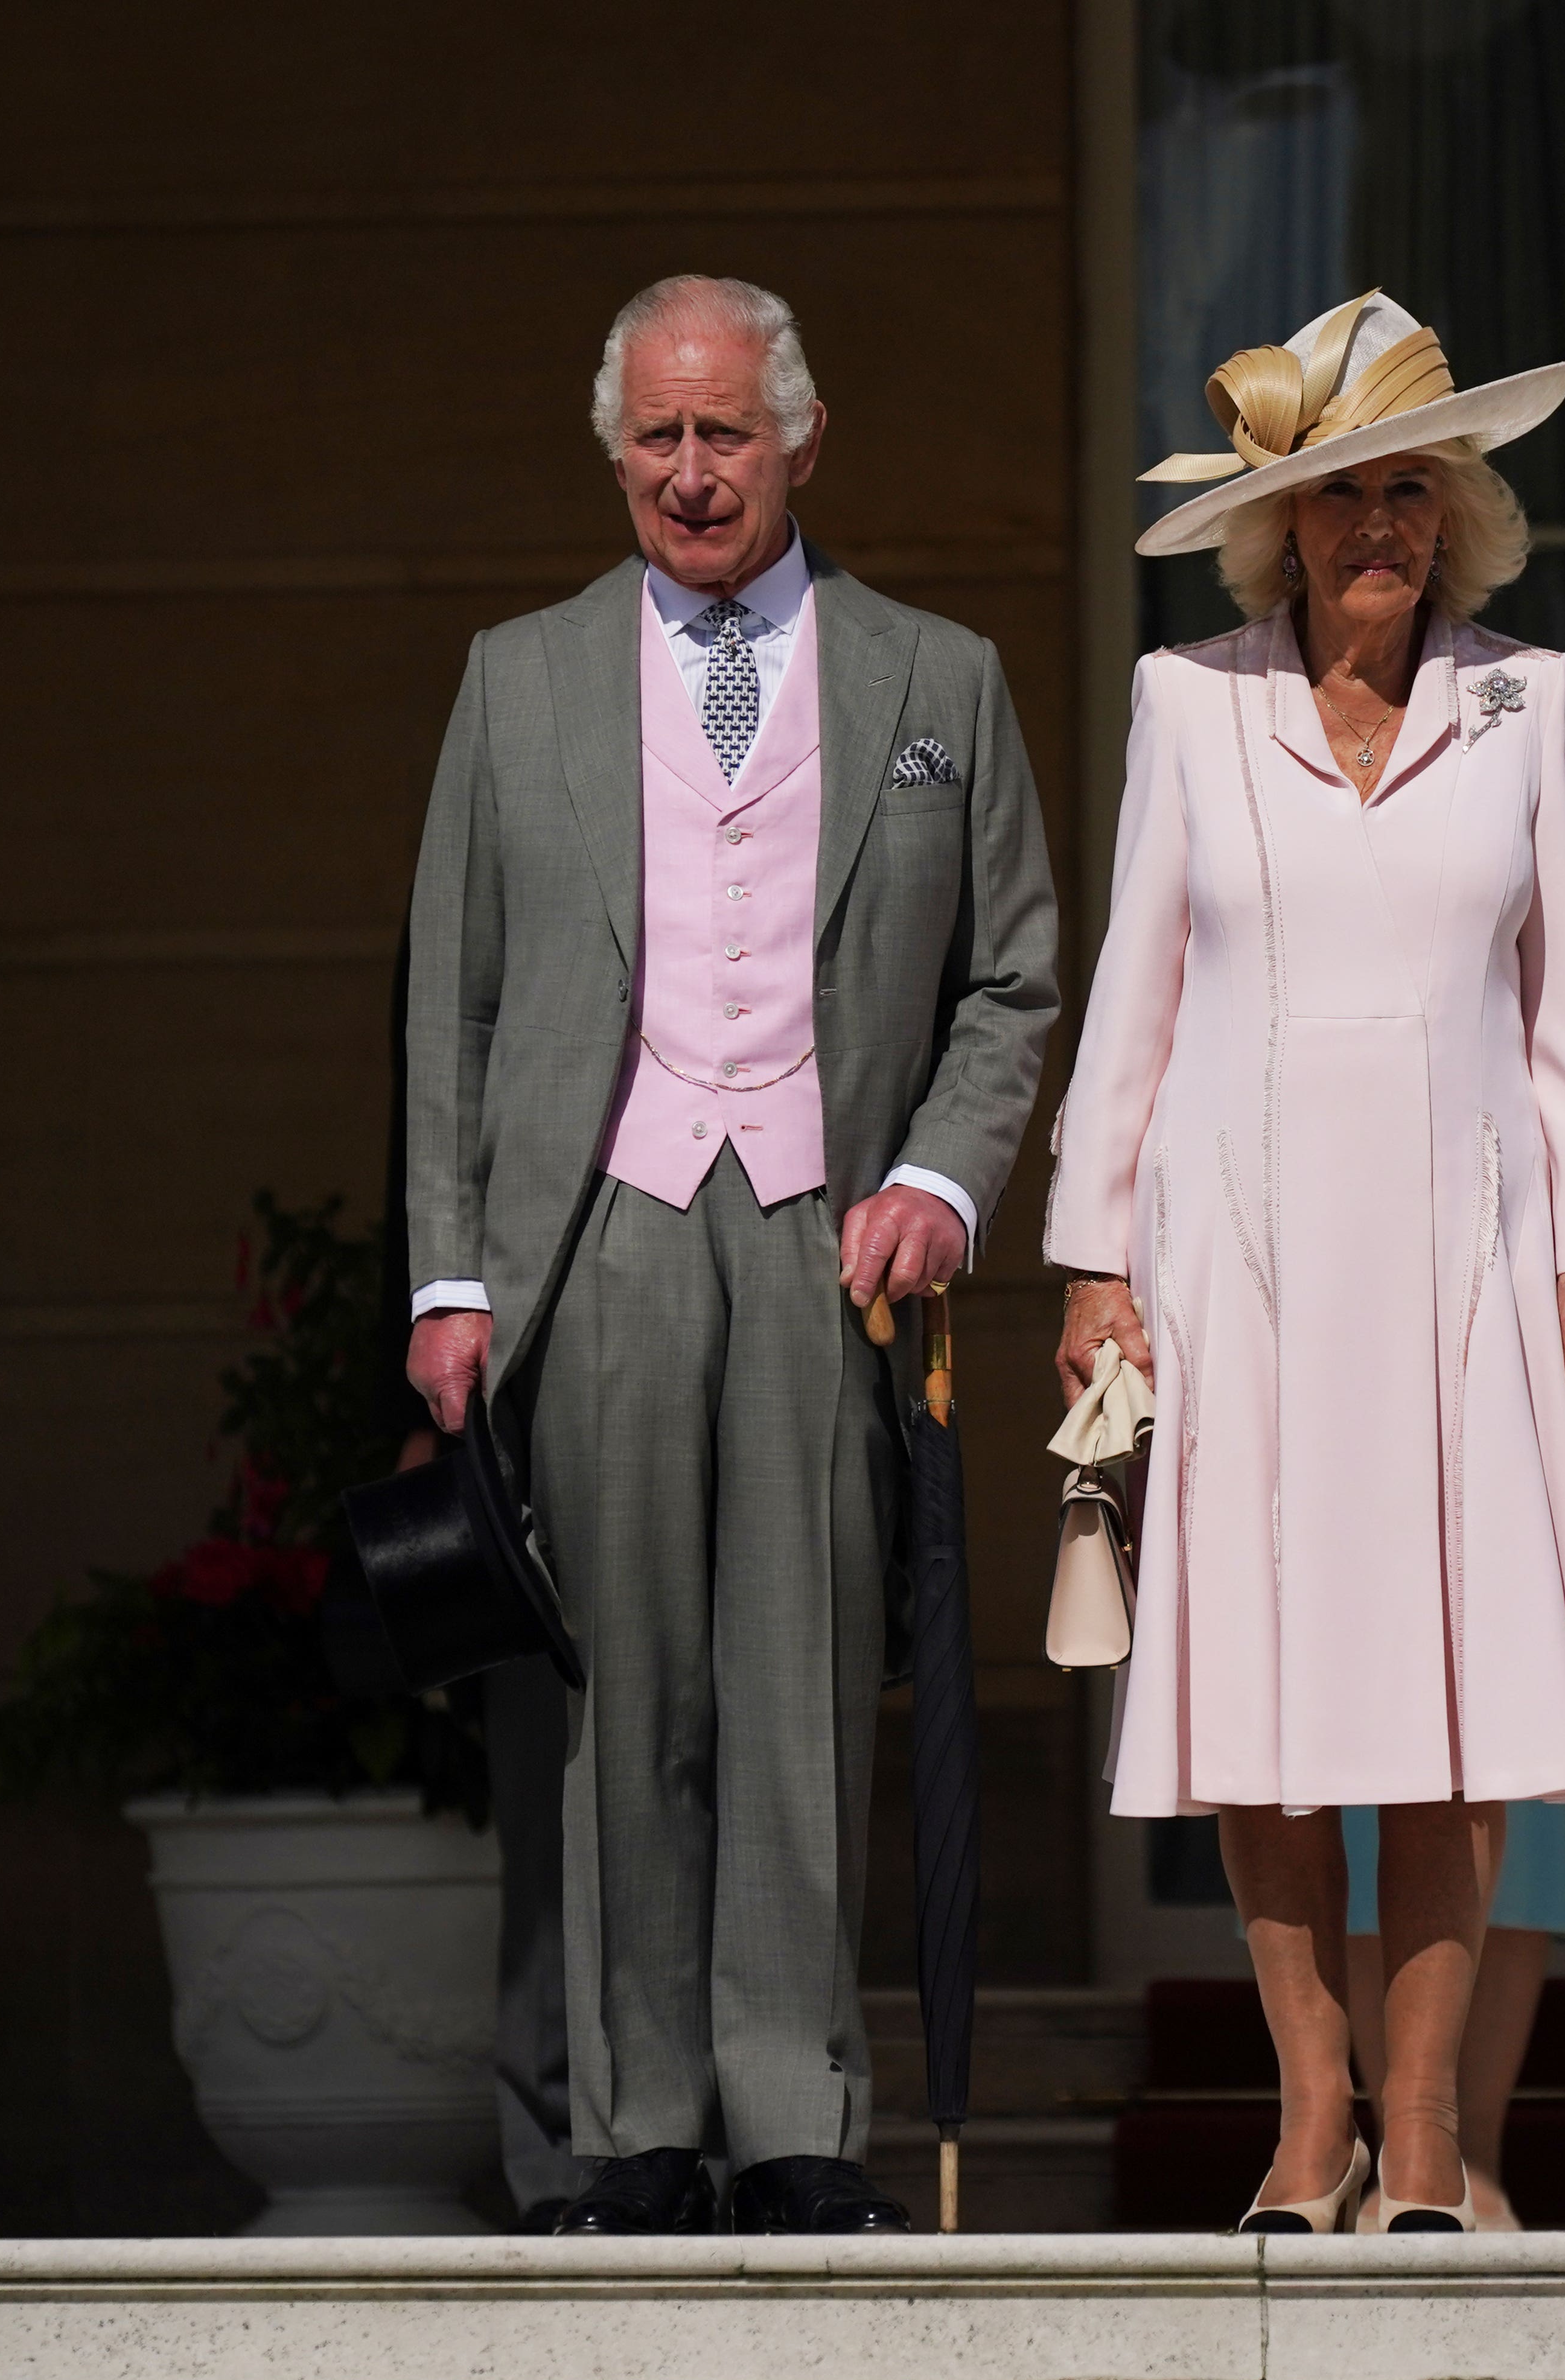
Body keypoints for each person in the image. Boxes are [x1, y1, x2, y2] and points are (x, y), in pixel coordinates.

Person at [401, 275, 1062, 2237]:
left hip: (819, 1239)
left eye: (726, 433)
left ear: (802, 436)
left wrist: (942, 1181)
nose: (692, 473)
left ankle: (794, 2120)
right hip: (595, 1234)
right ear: (616, 449)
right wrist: (450, 1279)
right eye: (657, 438)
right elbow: (452, 995)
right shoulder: (515, 678)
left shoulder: (935, 677)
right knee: (619, 1703)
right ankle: (634, 2130)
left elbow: (1014, 973)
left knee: (794, 1686)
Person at [1045, 291, 1565, 2235]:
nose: (1374, 525)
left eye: (1405, 490)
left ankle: (1436, 2131)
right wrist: (1090, 1256)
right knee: (1267, 1697)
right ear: (1277, 527)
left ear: (1452, 515)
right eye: (1335, 494)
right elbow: (1135, 988)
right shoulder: (1188, 703)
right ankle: (1311, 2124)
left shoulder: (1526, 700)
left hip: (1467, 1252)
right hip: (1243, 1258)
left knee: (1453, 1710)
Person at [1343, 1073, 1565, 2232]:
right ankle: (1386, 2154)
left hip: (1530, 1456)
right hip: (1354, 1443)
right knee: (1365, 1798)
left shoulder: (1564, 1057)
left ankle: (1475, 2155)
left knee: (1532, 1837)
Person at [374, 927, 588, 2233]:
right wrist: (403, 1392)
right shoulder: (477, 880)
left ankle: (723, 2147)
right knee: (545, 1787)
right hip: (508, 1400)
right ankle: (557, 2155)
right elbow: (423, 1141)